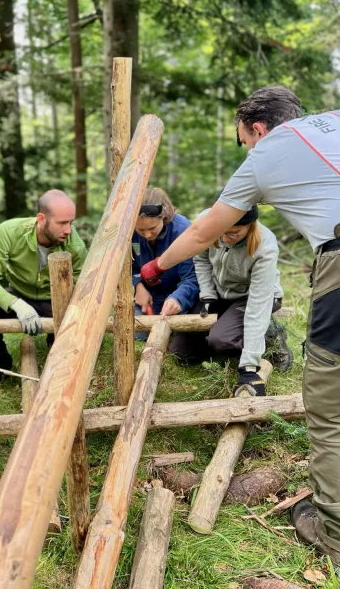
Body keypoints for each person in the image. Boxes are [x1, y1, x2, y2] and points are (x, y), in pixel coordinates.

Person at [139, 85, 340, 564]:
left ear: (258, 128)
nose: (246, 151)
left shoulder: (266, 154)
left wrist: (153, 268)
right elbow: (209, 261)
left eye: (242, 141)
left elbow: (202, 230)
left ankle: (333, 531)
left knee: (329, 404)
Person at [0, 189, 87, 383]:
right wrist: (17, 304)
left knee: (77, 311)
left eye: (71, 222)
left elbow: (82, 289)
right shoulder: (9, 231)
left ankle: (58, 355)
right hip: (19, 293)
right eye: (62, 223)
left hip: (54, 299)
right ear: (41, 218)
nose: (68, 230)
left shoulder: (75, 246)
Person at [173, 205, 292, 390]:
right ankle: (226, 341)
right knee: (182, 353)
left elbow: (258, 303)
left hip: (253, 296)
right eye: (222, 233)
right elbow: (201, 259)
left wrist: (249, 369)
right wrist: (208, 295)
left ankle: (270, 338)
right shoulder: (207, 221)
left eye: (234, 233)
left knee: (222, 340)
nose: (226, 239)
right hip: (221, 292)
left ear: (250, 225)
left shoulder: (265, 245)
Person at [131, 187, 199, 351]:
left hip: (178, 299)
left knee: (174, 347)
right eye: (141, 230)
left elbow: (192, 278)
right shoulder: (130, 232)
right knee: (135, 337)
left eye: (152, 228)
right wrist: (138, 286)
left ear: (165, 216)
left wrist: (178, 299)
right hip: (149, 299)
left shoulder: (183, 231)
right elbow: (127, 267)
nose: (147, 235)